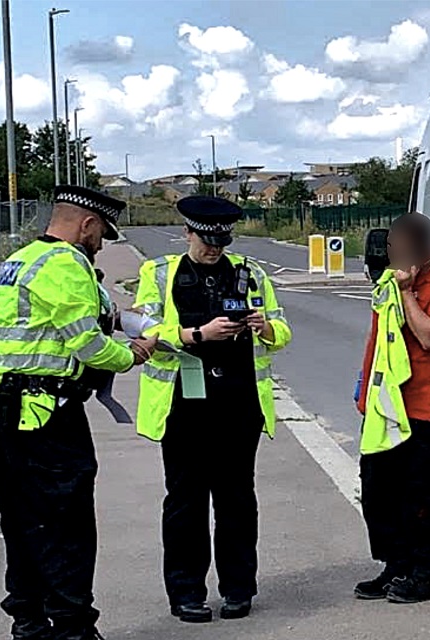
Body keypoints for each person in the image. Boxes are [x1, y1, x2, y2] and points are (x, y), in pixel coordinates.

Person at [0, 186, 157, 640]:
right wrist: (133, 354)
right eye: (102, 235)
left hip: (5, 407)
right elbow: (88, 345)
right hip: (48, 412)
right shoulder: (67, 265)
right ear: (87, 224)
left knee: (22, 520)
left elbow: (82, 318)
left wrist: (124, 319)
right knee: (66, 524)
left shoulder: (22, 260)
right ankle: (73, 628)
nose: (101, 244)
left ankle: (29, 623)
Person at [133, 195, 292, 624]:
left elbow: (282, 329)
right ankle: (186, 592)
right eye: (206, 241)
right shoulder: (160, 273)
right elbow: (143, 331)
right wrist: (195, 334)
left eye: (221, 242)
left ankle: (239, 589)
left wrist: (266, 327)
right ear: (187, 233)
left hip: (239, 404)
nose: (213, 249)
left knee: (237, 501)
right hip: (183, 406)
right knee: (185, 502)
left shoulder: (250, 273)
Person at [355, 213, 430, 604]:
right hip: (387, 404)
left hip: (426, 408)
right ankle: (396, 563)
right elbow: (379, 338)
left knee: (420, 496)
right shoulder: (390, 278)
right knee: (377, 491)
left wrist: (407, 293)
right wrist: (364, 393)